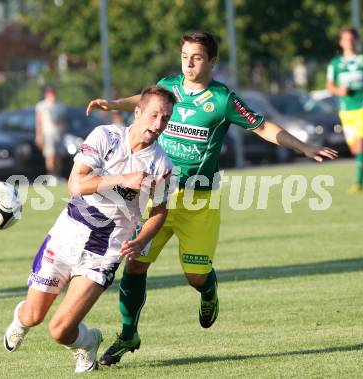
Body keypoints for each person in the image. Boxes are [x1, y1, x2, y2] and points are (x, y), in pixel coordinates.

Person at [86, 30, 338, 366]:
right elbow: (145, 102)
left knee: (195, 275)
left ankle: (208, 289)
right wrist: (114, 104)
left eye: (198, 57)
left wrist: (304, 146)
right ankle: (128, 333)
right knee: (134, 264)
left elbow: (263, 127)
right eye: (185, 56)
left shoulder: (222, 100)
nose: (189, 63)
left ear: (212, 62)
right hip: (155, 197)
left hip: (198, 202)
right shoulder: (170, 85)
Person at [3, 85, 176, 373]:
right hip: (67, 234)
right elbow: (75, 186)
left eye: (166, 119)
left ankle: (87, 343)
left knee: (59, 331)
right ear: (138, 112)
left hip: (105, 249)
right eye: (154, 115)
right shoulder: (105, 136)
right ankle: (21, 318)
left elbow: (159, 212)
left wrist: (142, 238)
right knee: (33, 316)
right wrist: (123, 179)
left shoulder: (162, 164)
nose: (158, 125)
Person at [326, 26, 363, 194]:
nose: (349, 42)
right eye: (345, 39)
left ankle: (358, 184)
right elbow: (329, 86)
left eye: (352, 39)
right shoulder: (335, 63)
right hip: (346, 109)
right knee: (355, 150)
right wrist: (339, 91)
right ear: (341, 42)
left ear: (356, 40)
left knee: (359, 145)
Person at [35, 86, 67, 186]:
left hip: (59, 134)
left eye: (53, 93)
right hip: (48, 133)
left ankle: (57, 176)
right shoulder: (41, 105)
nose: (52, 95)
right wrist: (39, 135)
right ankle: (51, 177)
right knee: (50, 155)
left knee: (59, 157)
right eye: (50, 93)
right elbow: (38, 122)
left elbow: (63, 122)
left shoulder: (60, 106)